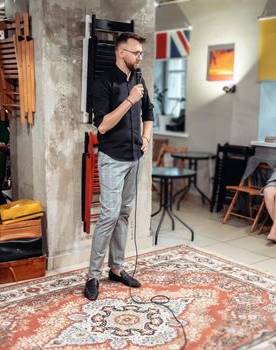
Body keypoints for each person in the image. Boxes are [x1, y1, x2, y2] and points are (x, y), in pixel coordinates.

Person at [83, 32, 154, 301]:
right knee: (109, 215)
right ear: (121, 52)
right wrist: (128, 101)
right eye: (136, 53)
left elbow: (149, 113)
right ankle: (92, 275)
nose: (140, 57)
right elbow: (102, 125)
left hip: (134, 157)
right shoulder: (102, 82)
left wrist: (146, 138)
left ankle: (116, 268)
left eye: (141, 54)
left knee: (124, 214)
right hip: (112, 158)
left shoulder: (139, 79)